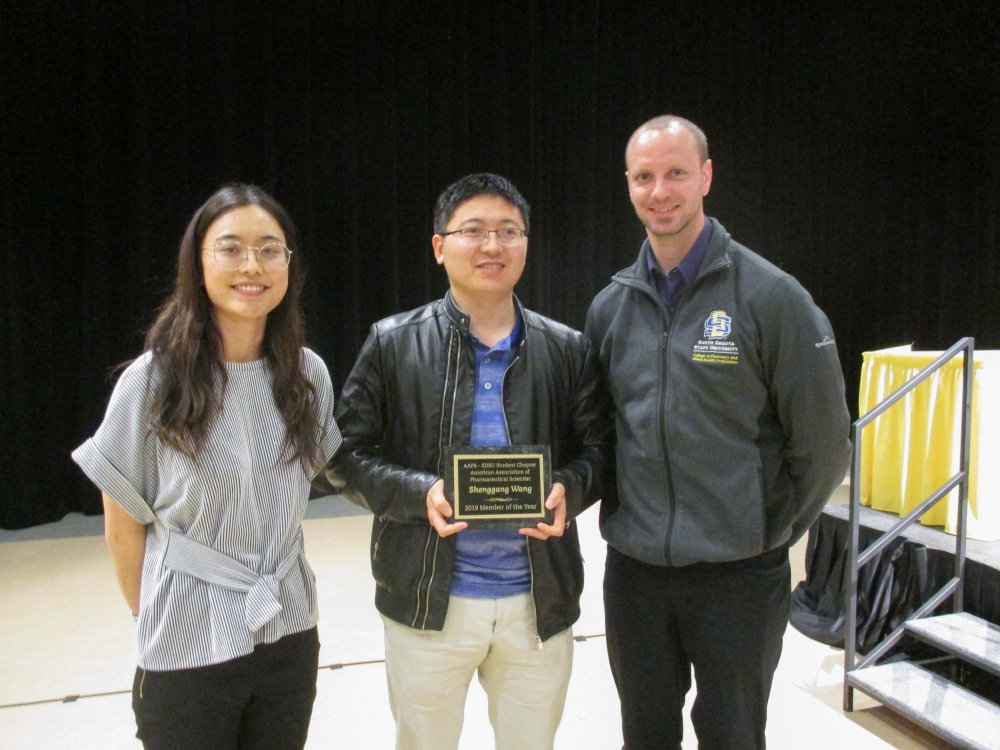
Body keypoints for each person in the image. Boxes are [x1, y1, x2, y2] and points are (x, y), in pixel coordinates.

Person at [585, 115, 852, 749]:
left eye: (676, 172)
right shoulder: (609, 309)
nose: (661, 190)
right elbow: (598, 435)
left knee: (733, 736)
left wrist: (768, 530)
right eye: (645, 176)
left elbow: (823, 445)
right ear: (628, 185)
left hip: (740, 578)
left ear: (706, 176)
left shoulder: (771, 298)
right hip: (636, 574)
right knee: (644, 736)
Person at [327, 173, 610, 750]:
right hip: (428, 599)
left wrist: (567, 489)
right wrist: (418, 492)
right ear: (439, 246)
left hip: (538, 603)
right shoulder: (392, 343)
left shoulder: (567, 349)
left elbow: (600, 452)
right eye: (474, 231)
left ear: (526, 244)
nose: (492, 246)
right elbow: (342, 455)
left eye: (509, 232)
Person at [71, 184, 342, 749]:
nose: (253, 265)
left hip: (289, 627)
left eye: (270, 249)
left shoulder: (307, 375)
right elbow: (122, 527)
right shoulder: (152, 381)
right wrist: (158, 615)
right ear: (198, 263)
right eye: (231, 248)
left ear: (289, 263)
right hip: (184, 639)